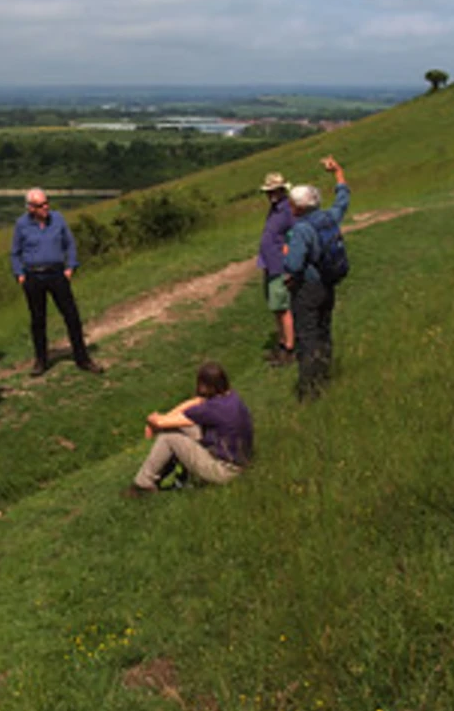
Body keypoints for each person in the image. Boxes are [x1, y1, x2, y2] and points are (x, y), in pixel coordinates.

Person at [10, 188, 103, 376]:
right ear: (30, 208)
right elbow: (15, 252)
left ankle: (82, 358)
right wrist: (19, 274)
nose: (46, 207)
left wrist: (70, 267)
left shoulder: (58, 219)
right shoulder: (22, 224)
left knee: (71, 316)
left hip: (56, 273)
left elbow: (70, 244)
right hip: (33, 276)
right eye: (40, 205)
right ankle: (41, 361)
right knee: (38, 320)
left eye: (47, 203)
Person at [124, 361, 253, 497]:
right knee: (183, 427)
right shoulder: (232, 397)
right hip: (239, 461)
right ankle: (160, 476)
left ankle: (142, 485)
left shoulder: (210, 409)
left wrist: (151, 421)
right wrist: (165, 418)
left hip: (223, 471)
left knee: (168, 437)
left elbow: (160, 423)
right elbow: (196, 402)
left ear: (204, 386)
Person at [282, 157, 350, 401]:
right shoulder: (330, 217)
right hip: (329, 285)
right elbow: (343, 199)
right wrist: (338, 172)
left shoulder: (302, 229)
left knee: (308, 337)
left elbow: (294, 265)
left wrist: (286, 253)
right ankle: (324, 376)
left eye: (291, 204)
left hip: (308, 290)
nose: (289, 207)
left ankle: (309, 392)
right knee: (324, 331)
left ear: (298, 208)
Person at [256, 173, 295, 366]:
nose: (271, 194)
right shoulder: (274, 209)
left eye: (274, 191)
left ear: (282, 190)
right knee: (275, 307)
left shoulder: (287, 208)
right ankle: (282, 344)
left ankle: (290, 348)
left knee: (283, 308)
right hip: (270, 264)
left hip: (280, 265)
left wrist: (288, 251)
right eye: (269, 191)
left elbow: (294, 232)